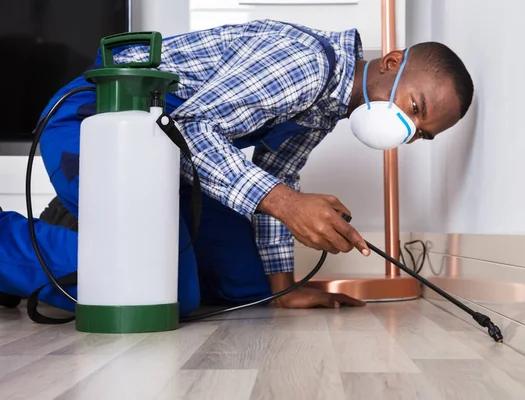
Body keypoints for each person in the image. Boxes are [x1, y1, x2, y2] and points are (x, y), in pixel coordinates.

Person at [0, 19, 473, 316]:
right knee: (163, 292)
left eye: (420, 132)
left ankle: (93, 224)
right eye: (415, 105)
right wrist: (288, 205)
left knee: (250, 287)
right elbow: (188, 126)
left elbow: (277, 180)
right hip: (102, 120)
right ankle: (25, 249)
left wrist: (284, 289)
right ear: (391, 62)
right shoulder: (307, 64)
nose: (406, 129)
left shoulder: (324, 107)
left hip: (165, 152)